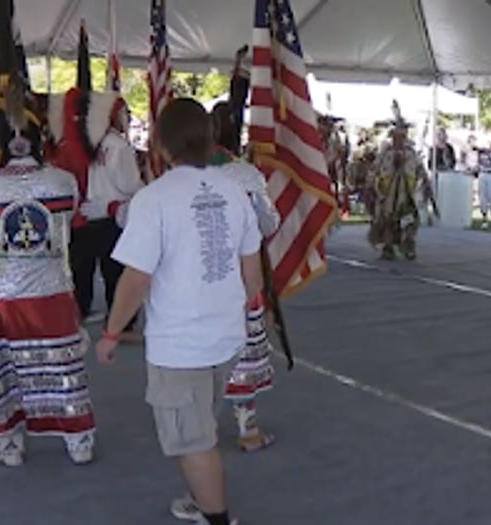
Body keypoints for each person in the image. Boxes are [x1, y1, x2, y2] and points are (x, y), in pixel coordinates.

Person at [96, 98, 261, 525]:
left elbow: (136, 279)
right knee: (200, 424)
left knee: (193, 440)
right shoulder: (233, 190)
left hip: (180, 346)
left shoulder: (155, 199)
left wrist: (112, 332)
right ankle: (200, 500)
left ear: (161, 144)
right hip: (226, 337)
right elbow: (252, 272)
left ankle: (217, 517)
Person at [0, 92, 96, 468]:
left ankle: (10, 442)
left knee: (5, 369)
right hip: (53, 291)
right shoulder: (63, 182)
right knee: (63, 367)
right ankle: (78, 439)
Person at [210, 100, 280, 453]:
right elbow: (270, 223)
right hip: (240, 274)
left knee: (202, 348)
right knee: (244, 349)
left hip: (198, 279)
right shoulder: (247, 175)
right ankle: (247, 428)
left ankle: (199, 427)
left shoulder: (186, 175)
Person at [77, 97, 144, 330]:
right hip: (116, 215)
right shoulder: (120, 146)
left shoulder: (98, 143)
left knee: (104, 270)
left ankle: (110, 318)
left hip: (94, 212)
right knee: (116, 273)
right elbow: (129, 183)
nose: (129, 118)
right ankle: (122, 322)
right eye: (126, 113)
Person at [368, 120, 427, 260]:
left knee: (410, 220)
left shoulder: (411, 153)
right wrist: (371, 185)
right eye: (396, 135)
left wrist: (424, 183)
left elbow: (420, 170)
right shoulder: (385, 153)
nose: (399, 138)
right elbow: (375, 170)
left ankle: (408, 245)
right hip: (388, 193)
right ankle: (388, 247)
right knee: (387, 220)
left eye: (402, 134)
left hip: (408, 192)